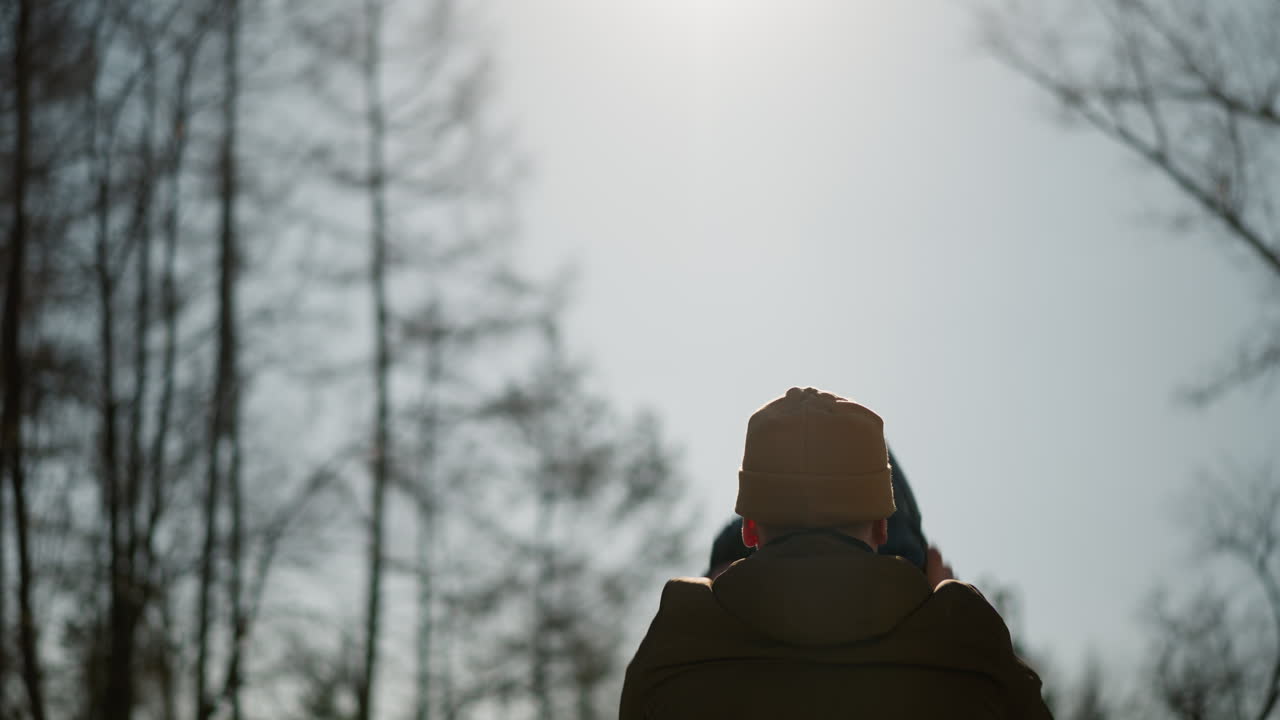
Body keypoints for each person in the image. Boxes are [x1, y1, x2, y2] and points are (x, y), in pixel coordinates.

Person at [620, 387, 1050, 719]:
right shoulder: (972, 647)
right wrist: (947, 618)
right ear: (883, 526)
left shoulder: (672, 648)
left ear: (749, 529)